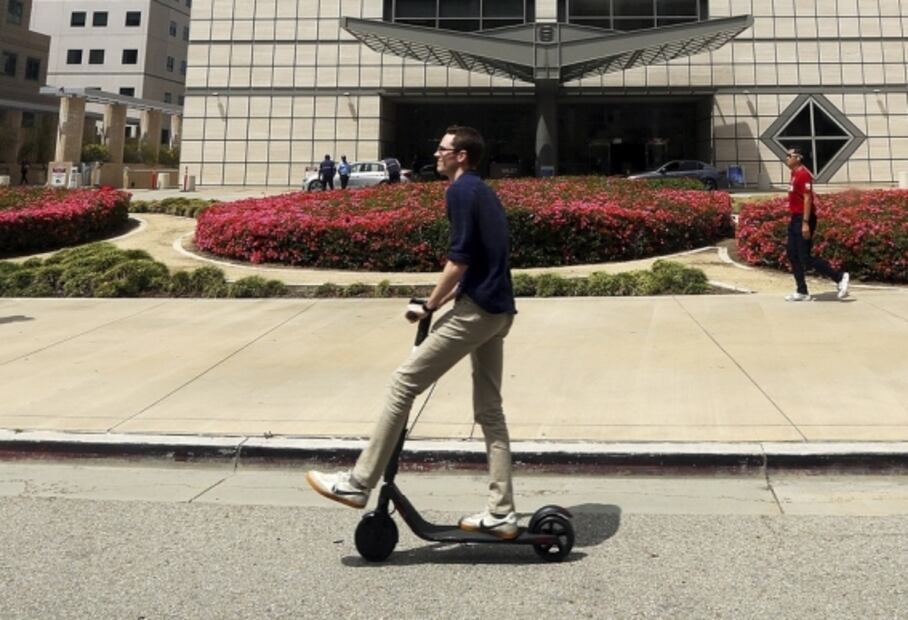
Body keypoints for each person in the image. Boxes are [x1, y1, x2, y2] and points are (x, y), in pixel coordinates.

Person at [307, 126, 520, 539]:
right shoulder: (484, 191)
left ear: (461, 156)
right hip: (498, 310)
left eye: (442, 149)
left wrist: (429, 305)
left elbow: (458, 260)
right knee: (490, 412)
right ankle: (502, 513)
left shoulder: (460, 192)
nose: (436, 154)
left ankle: (358, 483)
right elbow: (482, 261)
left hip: (476, 311)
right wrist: (442, 299)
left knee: (403, 382)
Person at [783, 147, 849, 302]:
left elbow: (808, 199)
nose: (786, 158)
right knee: (792, 255)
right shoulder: (793, 174)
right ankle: (802, 291)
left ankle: (839, 277)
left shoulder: (804, 174)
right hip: (795, 218)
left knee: (805, 257)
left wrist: (805, 223)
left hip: (804, 219)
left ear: (798, 158)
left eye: (789, 155)